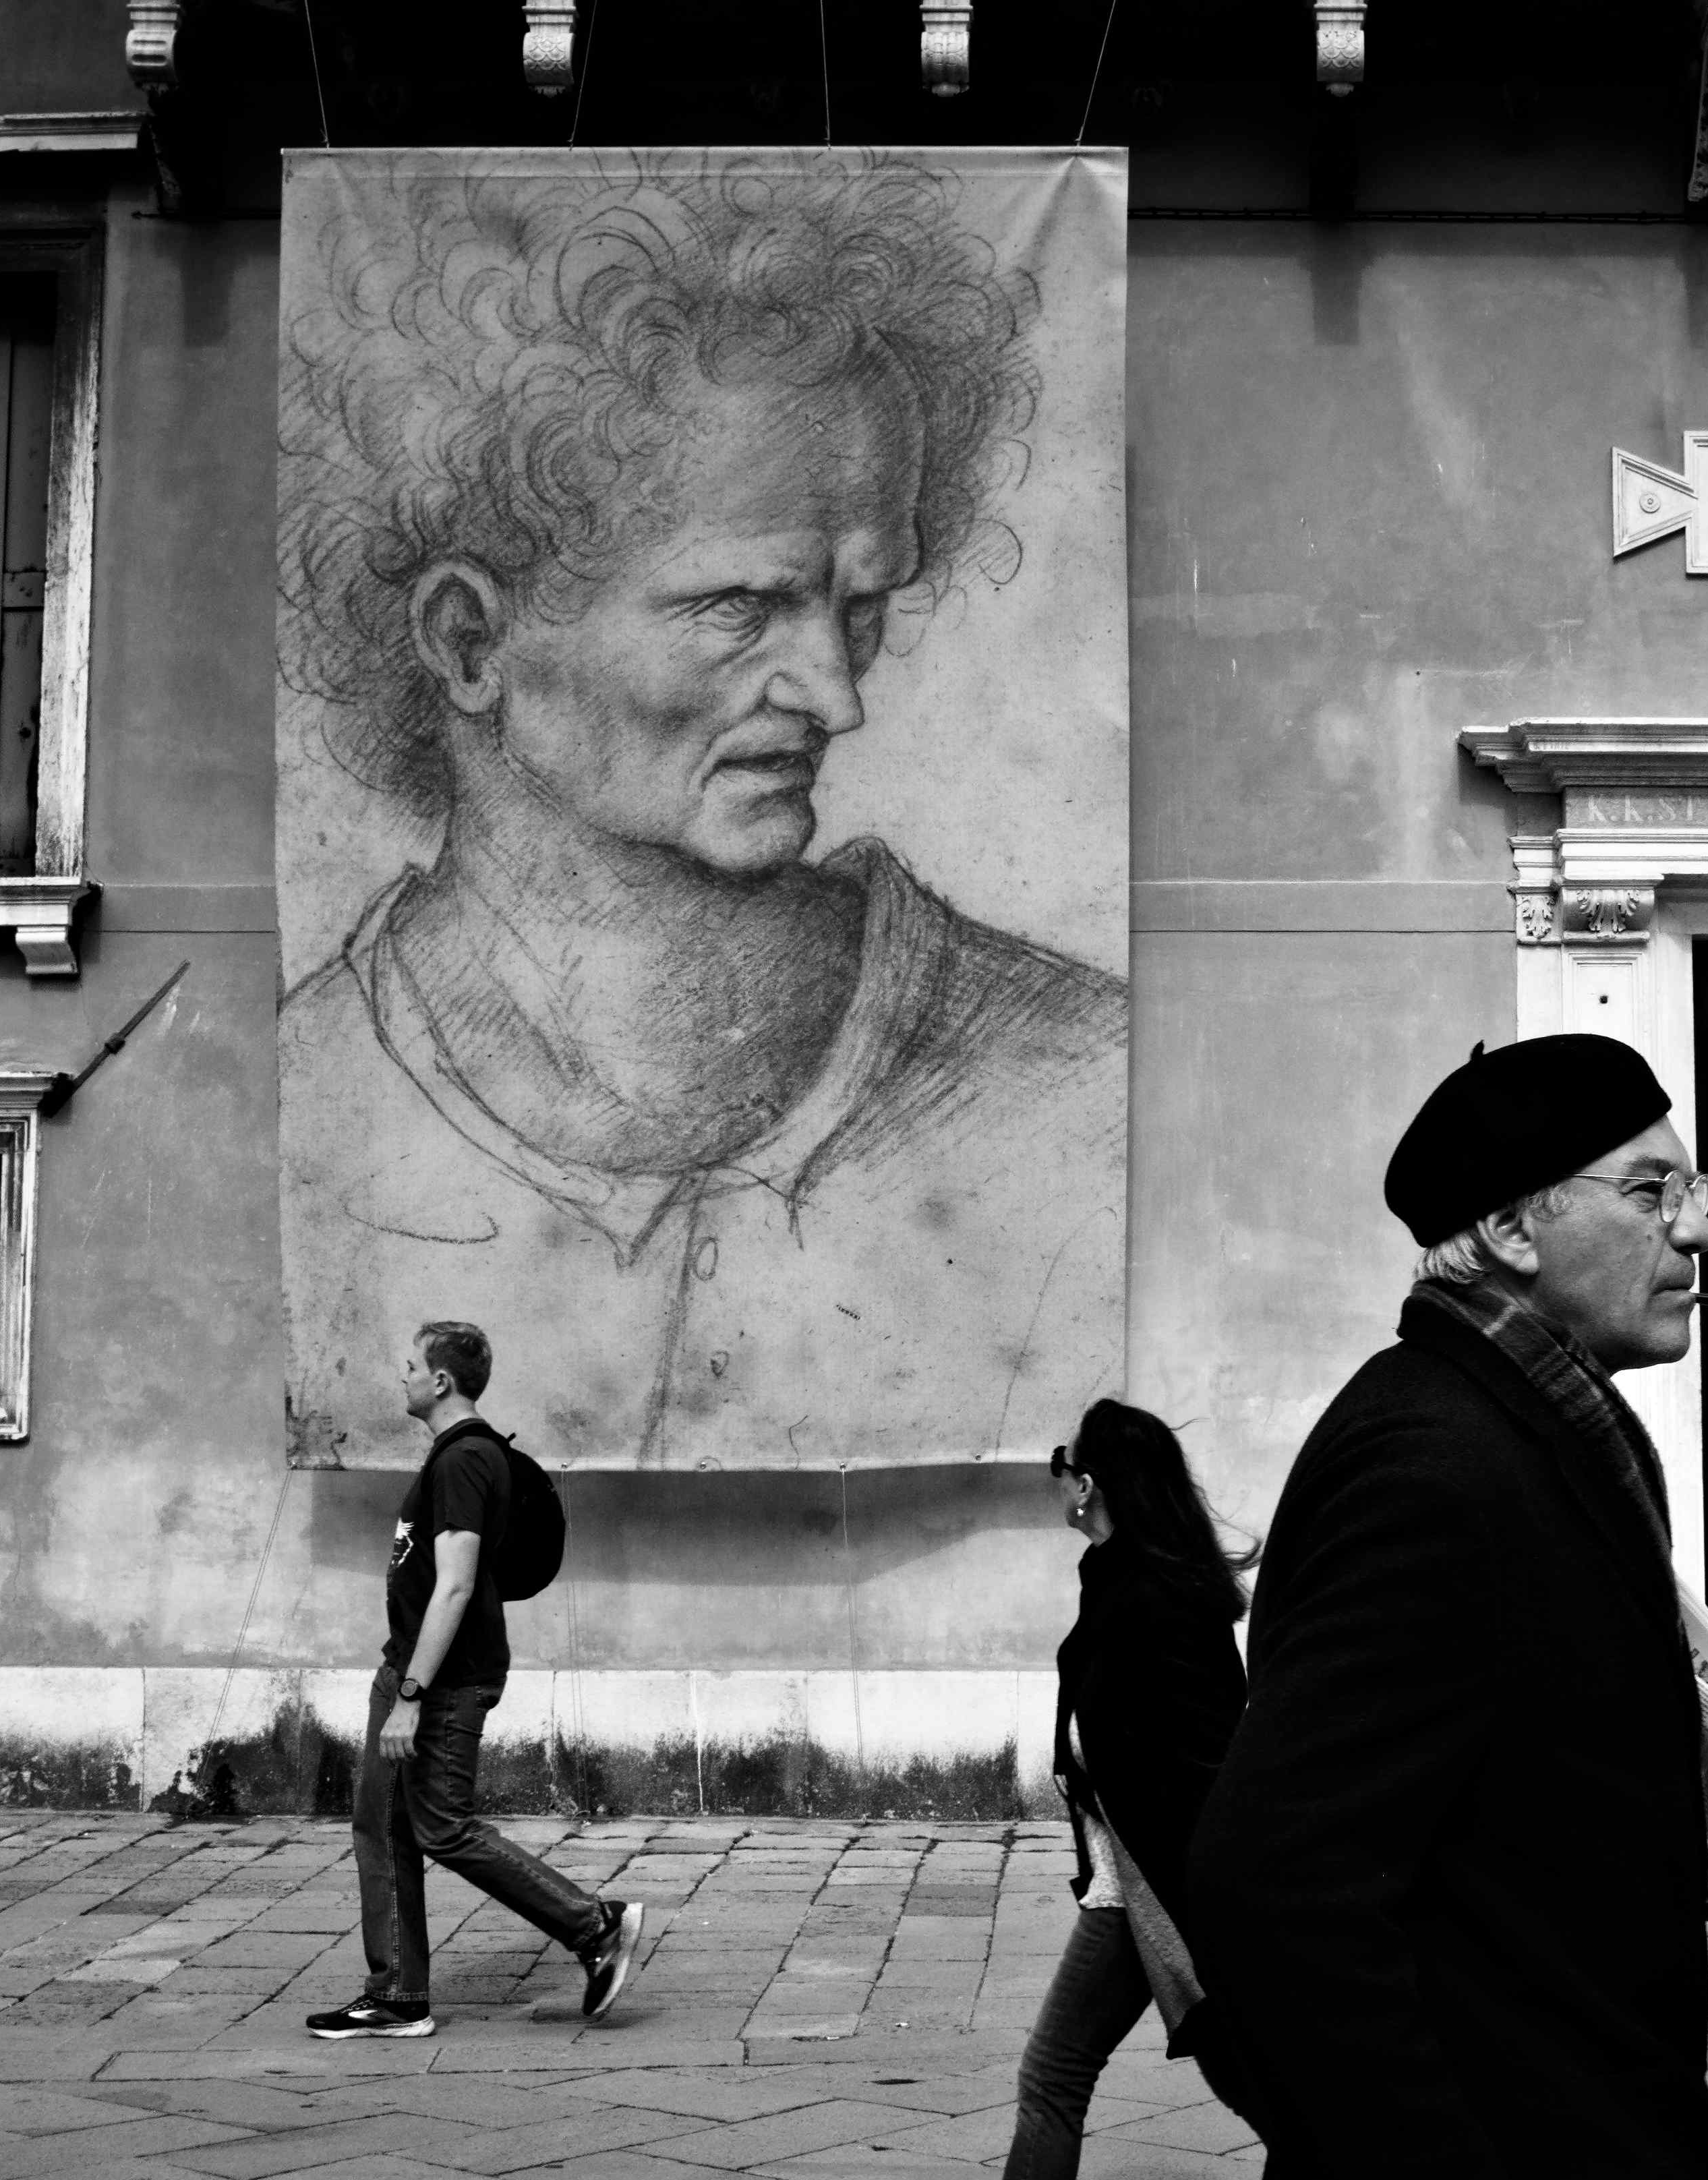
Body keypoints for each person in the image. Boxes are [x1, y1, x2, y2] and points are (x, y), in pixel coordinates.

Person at [276, 154, 1126, 1473]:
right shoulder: (325, 1094)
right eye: (739, 608)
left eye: (860, 608)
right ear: (467, 641)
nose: (836, 698)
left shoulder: (1065, 1076)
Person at [1188, 1034, 1708, 2180]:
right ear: (1513, 1232)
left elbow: (1483, 1789)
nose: (1698, 1231)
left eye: (1694, 1191)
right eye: (1651, 1191)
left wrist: (1660, 1841)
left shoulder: (1564, 1429)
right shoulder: (1433, 1462)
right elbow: (1275, 1881)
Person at [305, 1320, 644, 2040]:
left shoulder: (463, 1461)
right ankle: (396, 1993)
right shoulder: (456, 1457)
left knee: (441, 1827)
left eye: (407, 1367)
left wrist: (410, 1698)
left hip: (440, 1679)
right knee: (385, 1828)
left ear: (439, 1381)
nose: (398, 1378)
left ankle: (595, 1926)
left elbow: (454, 1587)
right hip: (415, 1668)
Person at [996, 1400, 1255, 2180]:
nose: (1058, 1480)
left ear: (1087, 1485)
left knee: (1052, 2077)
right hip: (1149, 1876)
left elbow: (1208, 1753)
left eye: (1060, 1465)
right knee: (1256, 2078)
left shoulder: (1149, 1598)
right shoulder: (1132, 1578)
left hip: (1154, 1884)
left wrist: (1206, 1899)